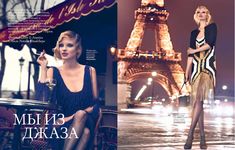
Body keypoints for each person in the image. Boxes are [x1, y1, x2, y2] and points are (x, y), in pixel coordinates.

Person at [36, 30, 99, 150]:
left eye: (69, 45)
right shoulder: (53, 71)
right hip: (59, 122)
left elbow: (95, 104)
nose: (64, 49)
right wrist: (43, 68)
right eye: (61, 45)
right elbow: (42, 100)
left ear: (78, 49)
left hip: (84, 119)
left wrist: (73, 117)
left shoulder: (90, 71)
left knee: (81, 117)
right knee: (85, 133)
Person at [184, 5, 217, 149]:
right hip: (196, 69)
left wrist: (194, 50)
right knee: (199, 102)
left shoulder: (212, 28)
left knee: (198, 100)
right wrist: (186, 72)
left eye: (204, 12)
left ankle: (190, 134)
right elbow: (190, 55)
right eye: (199, 12)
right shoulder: (193, 33)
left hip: (208, 68)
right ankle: (202, 137)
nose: (201, 14)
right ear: (196, 15)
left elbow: (209, 45)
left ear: (207, 14)